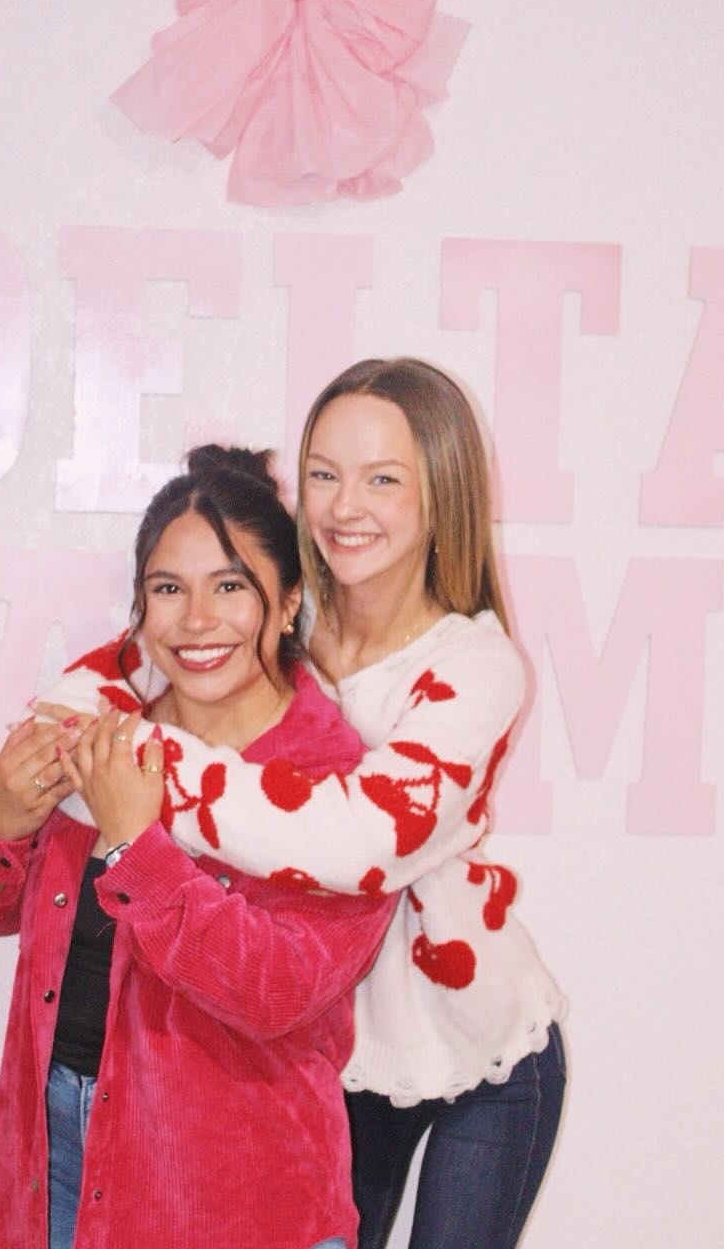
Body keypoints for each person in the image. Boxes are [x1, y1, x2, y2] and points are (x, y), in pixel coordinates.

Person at [43, 359, 567, 1248]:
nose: (343, 506)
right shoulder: (288, 614)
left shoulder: (475, 667)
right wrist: (82, 755)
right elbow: (86, 691)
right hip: (338, 1059)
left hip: (485, 1052)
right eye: (324, 473)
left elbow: (354, 838)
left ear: (442, 494)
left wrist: (140, 779)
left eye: (383, 479)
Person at [0, 445, 396, 1249]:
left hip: (237, 1203)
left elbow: (277, 991)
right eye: (168, 590)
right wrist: (0, 818)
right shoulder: (105, 733)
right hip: (55, 1163)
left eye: (231, 587)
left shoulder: (337, 786)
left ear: (289, 602)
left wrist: (137, 842)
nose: (195, 621)